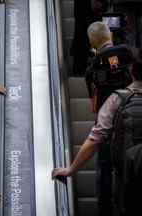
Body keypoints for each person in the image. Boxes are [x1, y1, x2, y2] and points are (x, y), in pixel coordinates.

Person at [52, 50, 142, 216]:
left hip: (129, 181)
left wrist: (71, 170)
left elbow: (95, 139)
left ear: (131, 71)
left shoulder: (118, 100)